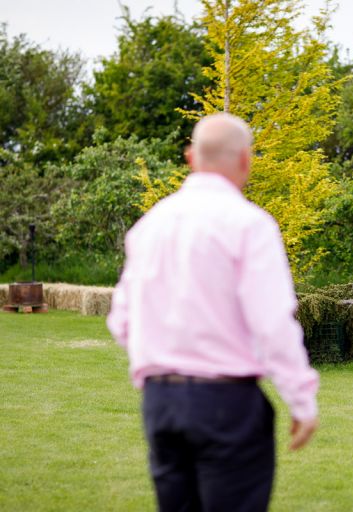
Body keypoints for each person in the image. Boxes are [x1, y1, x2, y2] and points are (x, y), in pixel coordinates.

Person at [107, 112, 319, 511]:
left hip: (160, 403)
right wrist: (301, 401)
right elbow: (272, 323)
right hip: (226, 403)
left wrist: (166, 356)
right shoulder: (250, 225)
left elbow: (121, 320)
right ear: (245, 161)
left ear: (191, 158)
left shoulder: (149, 226)